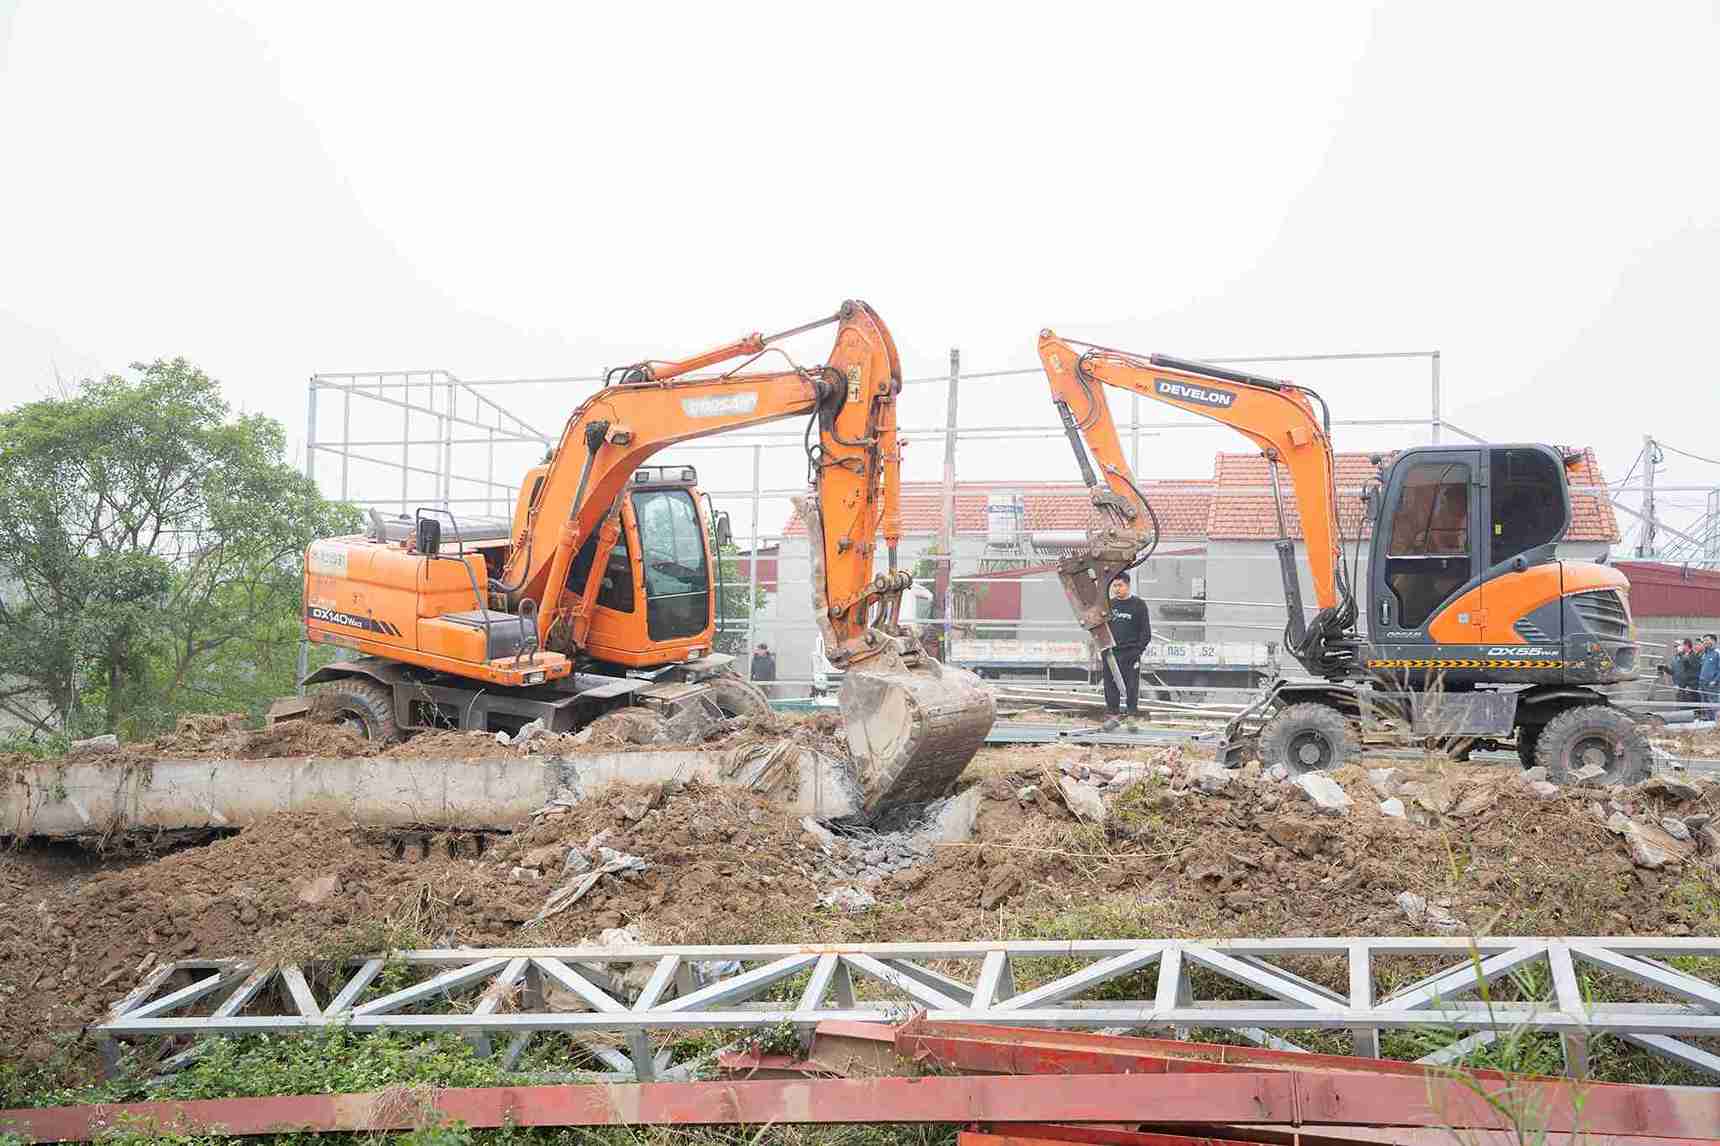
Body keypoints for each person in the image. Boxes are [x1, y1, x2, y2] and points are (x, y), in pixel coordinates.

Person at [1101, 572, 1151, 718]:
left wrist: (1138, 650)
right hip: (1112, 651)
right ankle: (1112, 713)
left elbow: (1145, 631)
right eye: (1114, 586)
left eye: (1120, 585)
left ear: (1127, 586)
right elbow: (1102, 627)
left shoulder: (1139, 605)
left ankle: (1131, 714)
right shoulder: (1109, 604)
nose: (1117, 589)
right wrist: (1104, 648)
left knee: (1132, 684)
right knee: (1110, 684)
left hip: (1131, 651)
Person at [1699, 634, 1720, 722]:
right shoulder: (1705, 654)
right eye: (1704, 640)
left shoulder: (1717, 653)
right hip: (1703, 683)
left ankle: (1716, 723)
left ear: (1713, 641)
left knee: (1714, 705)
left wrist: (1715, 680)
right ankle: (1710, 722)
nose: (1705, 642)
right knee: (1706, 705)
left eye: (1707, 640)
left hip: (1712, 685)